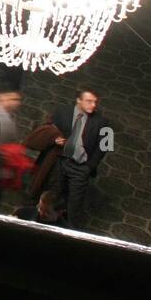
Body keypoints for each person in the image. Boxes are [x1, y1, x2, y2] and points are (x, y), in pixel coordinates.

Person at [51, 90, 111, 230]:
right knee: (56, 191)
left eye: (95, 102)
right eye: (89, 101)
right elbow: (49, 127)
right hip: (61, 160)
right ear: (78, 100)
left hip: (81, 166)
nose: (93, 105)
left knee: (75, 202)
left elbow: (106, 145)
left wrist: (90, 166)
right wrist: (54, 139)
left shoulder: (103, 122)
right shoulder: (63, 111)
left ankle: (71, 229)